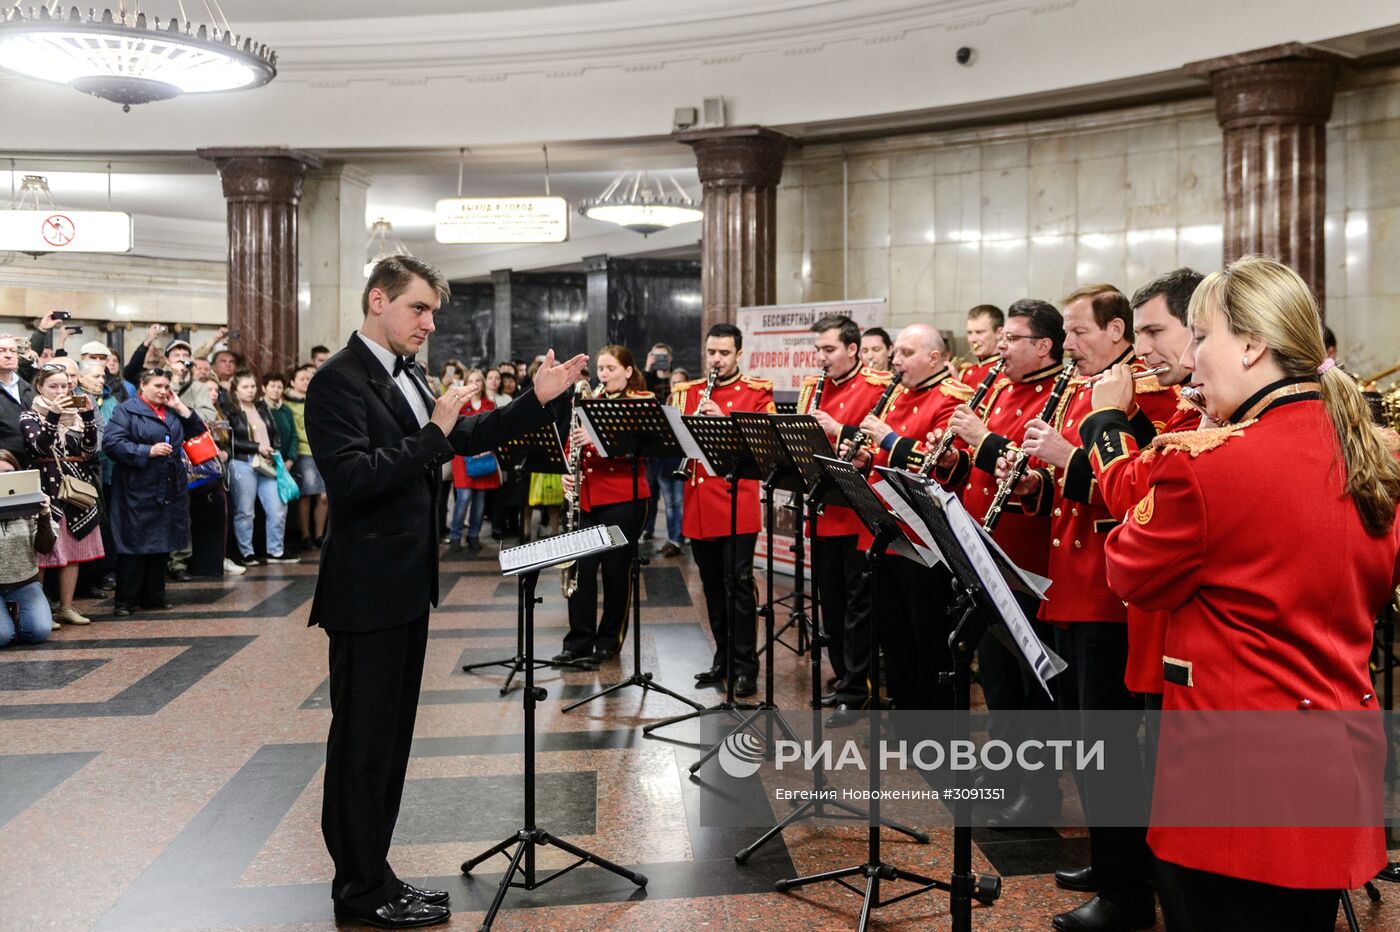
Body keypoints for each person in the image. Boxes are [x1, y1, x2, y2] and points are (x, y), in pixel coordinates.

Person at [1105, 256, 1400, 931]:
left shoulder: (1208, 466)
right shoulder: (1373, 451)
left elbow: (1128, 571)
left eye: (1201, 337)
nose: (1192, 358)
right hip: (1335, 765)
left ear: (1251, 345)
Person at [306, 255, 585, 929]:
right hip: (366, 587)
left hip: (404, 584)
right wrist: (432, 433)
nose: (429, 323)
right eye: (418, 309)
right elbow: (352, 478)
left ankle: (378, 873)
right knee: (364, 741)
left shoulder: (408, 374)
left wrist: (537, 399)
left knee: (392, 739)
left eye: (432, 311)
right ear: (378, 300)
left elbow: (470, 437)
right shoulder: (337, 382)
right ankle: (359, 887)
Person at [1012, 284, 1179, 931]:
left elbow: (1137, 493)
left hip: (1112, 593)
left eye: (1081, 333)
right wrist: (1039, 476)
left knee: (1105, 746)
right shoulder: (1093, 390)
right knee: (1089, 743)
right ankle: (1113, 859)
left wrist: (1067, 459)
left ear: (1118, 334)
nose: (1071, 345)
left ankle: (1125, 889)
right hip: (1075, 583)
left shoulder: (1149, 397)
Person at [929, 298, 1066, 828]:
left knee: (1035, 688)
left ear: (1042, 346)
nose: (1000, 347)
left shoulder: (1058, 393)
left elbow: (1033, 476)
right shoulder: (1000, 386)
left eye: (1011, 339)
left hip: (1029, 561)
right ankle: (1004, 769)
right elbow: (980, 470)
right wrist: (954, 458)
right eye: (1002, 338)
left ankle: (1040, 788)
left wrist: (982, 443)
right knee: (1000, 678)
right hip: (984, 552)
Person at [848, 323, 967, 718]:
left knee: (928, 635)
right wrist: (865, 459)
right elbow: (883, 462)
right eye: (895, 352)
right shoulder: (898, 395)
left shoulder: (952, 399)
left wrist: (886, 439)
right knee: (894, 634)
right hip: (887, 530)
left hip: (926, 539)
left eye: (905, 353)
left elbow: (938, 468)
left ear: (935, 357)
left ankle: (930, 722)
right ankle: (904, 713)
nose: (895, 361)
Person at [799, 315, 892, 715]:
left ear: (853, 349)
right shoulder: (813, 389)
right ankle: (843, 678)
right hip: (823, 511)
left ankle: (859, 689)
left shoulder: (878, 387)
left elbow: (879, 440)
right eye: (818, 349)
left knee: (859, 609)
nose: (822, 358)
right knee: (832, 606)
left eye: (829, 350)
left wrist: (837, 428)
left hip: (857, 515)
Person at [674, 325, 774, 697]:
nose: (716, 360)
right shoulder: (689, 392)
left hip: (736, 502)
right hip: (699, 502)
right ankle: (723, 658)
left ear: (739, 354)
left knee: (738, 587)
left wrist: (725, 424)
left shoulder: (757, 393)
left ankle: (746, 665)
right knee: (711, 587)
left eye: (724, 353)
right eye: (712, 352)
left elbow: (765, 447)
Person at [555, 344, 653, 667]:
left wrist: (595, 441)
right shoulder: (588, 402)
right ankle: (578, 641)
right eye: (601, 369)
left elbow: (637, 447)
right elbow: (571, 444)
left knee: (615, 572)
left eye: (611, 369)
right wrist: (566, 475)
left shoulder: (641, 402)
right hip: (586, 498)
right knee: (581, 570)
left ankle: (609, 640)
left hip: (624, 498)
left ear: (628, 371)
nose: (604, 375)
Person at [102, 368, 206, 616]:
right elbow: (111, 443)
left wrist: (181, 408)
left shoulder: (172, 411)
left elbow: (199, 432)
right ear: (142, 385)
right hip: (136, 485)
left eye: (166, 386)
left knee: (162, 540)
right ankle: (126, 601)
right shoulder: (126, 410)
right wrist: (146, 451)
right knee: (134, 541)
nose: (163, 391)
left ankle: (154, 596)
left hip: (169, 484)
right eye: (157, 386)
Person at [21, 362, 105, 626]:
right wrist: (54, 416)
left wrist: (89, 417)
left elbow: (91, 451)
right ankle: (42, 609)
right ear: (40, 387)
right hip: (46, 484)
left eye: (65, 386)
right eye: (53, 386)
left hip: (76, 486)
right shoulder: (30, 416)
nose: (60, 391)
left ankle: (66, 607)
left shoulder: (78, 416)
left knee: (73, 546)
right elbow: (38, 447)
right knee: (44, 549)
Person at [223, 370, 296, 566]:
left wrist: (275, 451)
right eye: (245, 387)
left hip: (267, 463)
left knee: (278, 506)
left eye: (252, 386)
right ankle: (246, 553)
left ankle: (275, 551)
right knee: (245, 511)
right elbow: (231, 441)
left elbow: (275, 432)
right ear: (235, 390)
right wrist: (257, 447)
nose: (250, 391)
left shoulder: (262, 407)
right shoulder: (231, 410)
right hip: (243, 462)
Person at [0, 449, 56, 646]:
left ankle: (12, 616)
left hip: (23, 581)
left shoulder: (32, 503)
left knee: (38, 632)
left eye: (8, 474)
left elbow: (45, 548)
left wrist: (44, 515)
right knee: (2, 637)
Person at [447, 369, 500, 552]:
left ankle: (474, 536)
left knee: (479, 502)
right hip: (463, 459)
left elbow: (494, 430)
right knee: (463, 499)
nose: (476, 384)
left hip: (483, 459)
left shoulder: (489, 404)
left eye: (479, 380)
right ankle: (455, 536)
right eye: (472, 380)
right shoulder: (460, 405)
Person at [284, 364, 327, 550]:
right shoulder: (287, 404)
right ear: (292, 382)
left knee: (324, 496)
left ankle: (320, 535)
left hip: (322, 451)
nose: (306, 381)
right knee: (307, 494)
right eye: (301, 379)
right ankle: (305, 535)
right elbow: (294, 430)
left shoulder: (319, 399)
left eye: (309, 378)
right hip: (303, 452)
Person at [0, 335, 36, 466]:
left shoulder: (28, 388)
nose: (8, 355)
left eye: (12, 351)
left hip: (33, 462)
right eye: (1, 351)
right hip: (5, 466)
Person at [961, 304, 1005, 384]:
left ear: (999, 333)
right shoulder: (965, 372)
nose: (972, 339)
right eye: (969, 332)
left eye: (979, 332)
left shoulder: (1006, 371)